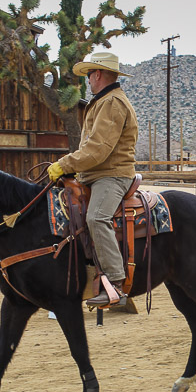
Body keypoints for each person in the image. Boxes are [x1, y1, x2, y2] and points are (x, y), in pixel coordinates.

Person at [47, 51, 138, 307]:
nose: (88, 80)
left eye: (89, 74)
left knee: (96, 217)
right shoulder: (101, 101)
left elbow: (98, 150)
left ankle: (117, 285)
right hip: (94, 174)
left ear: (98, 74)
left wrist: (65, 164)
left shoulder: (112, 103)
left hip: (111, 175)